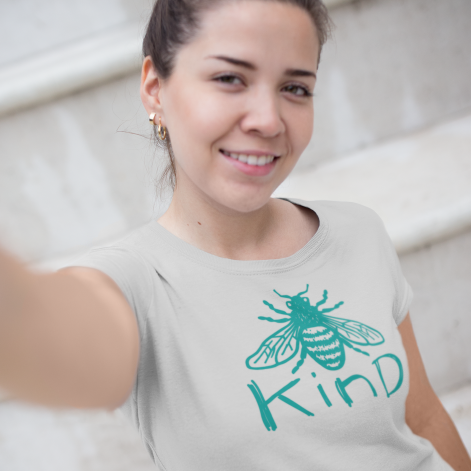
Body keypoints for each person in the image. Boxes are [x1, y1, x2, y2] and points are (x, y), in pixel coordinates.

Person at [0, 0, 470, 469]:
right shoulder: (134, 284)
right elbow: (51, 333)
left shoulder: (358, 229)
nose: (268, 119)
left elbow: (424, 417)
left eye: (294, 87)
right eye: (230, 78)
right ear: (154, 88)